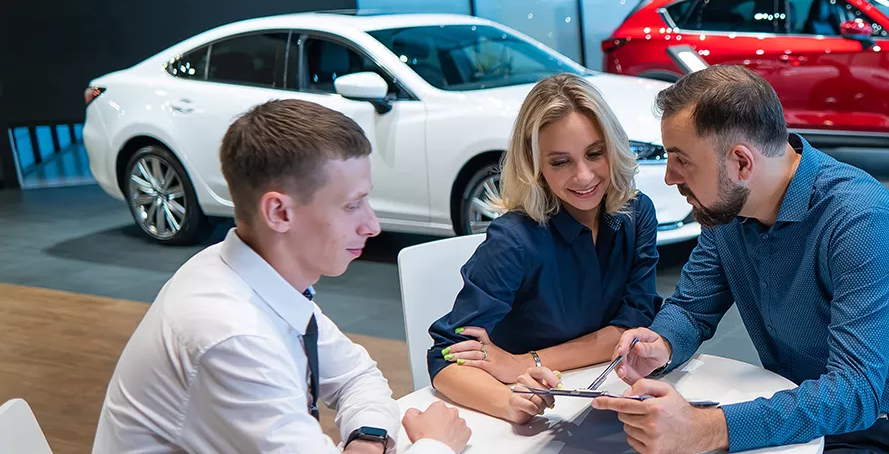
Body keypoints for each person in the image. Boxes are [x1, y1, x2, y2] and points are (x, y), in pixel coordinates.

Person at [591, 65, 889, 454]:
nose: (670, 177)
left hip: (888, 429)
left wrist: (708, 428)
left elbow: (854, 393)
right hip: (799, 412)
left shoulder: (859, 218)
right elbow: (693, 308)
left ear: (742, 163)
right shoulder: (729, 210)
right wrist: (661, 342)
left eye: (682, 160)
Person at [93, 99, 476, 453]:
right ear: (279, 213)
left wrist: (368, 440)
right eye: (352, 205)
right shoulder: (232, 334)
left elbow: (356, 376)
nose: (371, 225)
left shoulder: (251, 277)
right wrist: (437, 446)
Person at [425, 73, 663, 424]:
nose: (584, 176)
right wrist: (508, 401)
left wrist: (527, 360)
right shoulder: (513, 240)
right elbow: (444, 357)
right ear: (534, 165)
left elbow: (632, 323)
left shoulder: (636, 213)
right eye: (560, 162)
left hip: (607, 397)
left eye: (595, 154)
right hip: (533, 411)